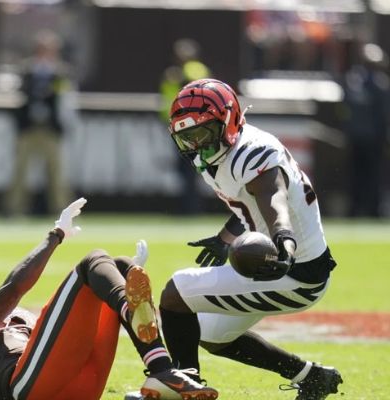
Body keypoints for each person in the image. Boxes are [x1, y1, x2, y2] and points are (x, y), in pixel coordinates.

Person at [158, 78, 342, 399]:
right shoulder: (226, 150)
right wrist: (225, 238)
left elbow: (274, 200)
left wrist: (284, 242)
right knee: (212, 333)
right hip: (291, 264)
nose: (197, 145)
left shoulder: (252, 154)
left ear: (227, 120)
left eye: (202, 134)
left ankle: (186, 388)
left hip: (293, 271)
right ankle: (311, 377)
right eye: (187, 139)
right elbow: (249, 202)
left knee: (176, 293)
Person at [0, 198, 218, 400]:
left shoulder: (3, 342)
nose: (12, 320)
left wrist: (123, 278)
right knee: (92, 261)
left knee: (119, 265)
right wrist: (55, 235)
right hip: (26, 388)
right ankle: (134, 317)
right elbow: (13, 288)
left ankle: (160, 369)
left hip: (73, 386)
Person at [3, 30, 71, 217]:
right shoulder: (26, 70)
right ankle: (14, 210)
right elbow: (20, 97)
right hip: (29, 127)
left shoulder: (60, 73)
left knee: (56, 172)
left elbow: (65, 100)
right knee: (20, 170)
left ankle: (61, 211)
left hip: (50, 129)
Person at [159, 38, 212, 215]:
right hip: (178, 128)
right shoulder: (173, 74)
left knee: (192, 168)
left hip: (193, 129)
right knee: (183, 168)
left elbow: (197, 88)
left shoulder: (195, 69)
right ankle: (186, 205)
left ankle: (192, 207)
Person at [340, 42, 389, 218]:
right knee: (372, 176)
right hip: (372, 139)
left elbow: (344, 109)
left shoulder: (352, 80)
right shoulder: (380, 83)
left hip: (356, 138)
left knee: (357, 175)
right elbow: (384, 114)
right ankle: (372, 210)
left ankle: (356, 209)